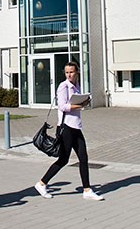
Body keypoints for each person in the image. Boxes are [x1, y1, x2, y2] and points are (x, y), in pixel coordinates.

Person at [34, 61, 104, 201]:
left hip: (76, 126)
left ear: (77, 72)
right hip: (66, 127)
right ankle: (41, 183)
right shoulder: (63, 86)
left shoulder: (76, 86)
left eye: (71, 72)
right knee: (63, 159)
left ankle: (87, 190)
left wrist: (83, 102)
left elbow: (75, 105)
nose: (69, 75)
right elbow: (62, 106)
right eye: (67, 72)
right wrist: (79, 104)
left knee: (83, 157)